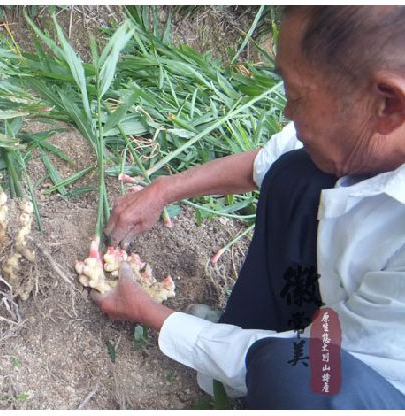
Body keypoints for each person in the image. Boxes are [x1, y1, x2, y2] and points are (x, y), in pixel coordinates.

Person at [91, 6, 405, 409]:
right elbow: (269, 161)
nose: (288, 114)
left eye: (297, 96)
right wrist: (162, 191)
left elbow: (325, 362)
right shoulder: (377, 133)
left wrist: (154, 315)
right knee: (297, 173)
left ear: (389, 105)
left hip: (382, 386)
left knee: (299, 378)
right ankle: (246, 343)